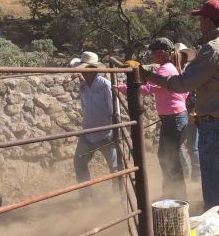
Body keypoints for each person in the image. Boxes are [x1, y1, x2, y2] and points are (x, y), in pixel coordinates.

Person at [141, 0, 219, 207]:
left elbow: (183, 83)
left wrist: (149, 76)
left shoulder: (213, 49)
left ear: (208, 21)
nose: (200, 25)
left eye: (201, 20)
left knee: (215, 191)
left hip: (217, 125)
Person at [118, 38, 189, 198]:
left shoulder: (164, 70)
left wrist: (121, 87)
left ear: (161, 53)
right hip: (174, 116)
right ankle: (173, 193)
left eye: (153, 52)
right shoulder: (170, 67)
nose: (151, 55)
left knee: (170, 157)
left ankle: (177, 194)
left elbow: (147, 89)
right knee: (167, 156)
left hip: (173, 118)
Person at [71, 51, 121, 198]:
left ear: (93, 69)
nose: (82, 72)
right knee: (79, 162)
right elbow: (84, 107)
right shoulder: (83, 86)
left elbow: (114, 110)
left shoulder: (105, 85)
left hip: (105, 132)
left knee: (115, 167)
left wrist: (115, 130)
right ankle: (87, 196)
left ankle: (118, 195)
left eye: (84, 68)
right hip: (88, 132)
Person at [173, 42, 201, 182]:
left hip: (190, 112)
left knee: (191, 146)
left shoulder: (187, 71)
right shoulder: (181, 71)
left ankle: (195, 174)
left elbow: (194, 91)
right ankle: (191, 173)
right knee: (186, 145)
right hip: (184, 111)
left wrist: (194, 109)